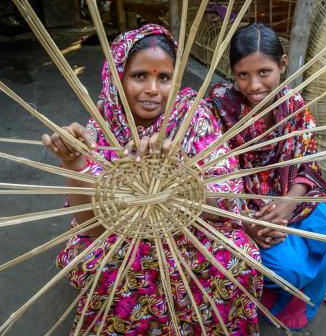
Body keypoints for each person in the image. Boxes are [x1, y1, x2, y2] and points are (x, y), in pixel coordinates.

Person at [41, 24, 262, 335]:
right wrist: (75, 163)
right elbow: (91, 226)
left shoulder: (192, 116)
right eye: (139, 76)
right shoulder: (99, 130)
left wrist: (183, 174)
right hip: (122, 238)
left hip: (192, 230)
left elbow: (225, 201)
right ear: (118, 78)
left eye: (164, 78)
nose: (153, 90)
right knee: (110, 272)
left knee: (237, 259)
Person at [206, 23, 326, 330]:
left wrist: (288, 202)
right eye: (243, 75)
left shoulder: (293, 106)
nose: (254, 85)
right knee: (288, 270)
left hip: (291, 198)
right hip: (244, 209)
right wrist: (248, 222)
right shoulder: (218, 107)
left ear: (282, 65)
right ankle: (280, 295)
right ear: (233, 73)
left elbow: (308, 163)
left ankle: (303, 298)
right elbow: (212, 175)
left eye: (265, 72)